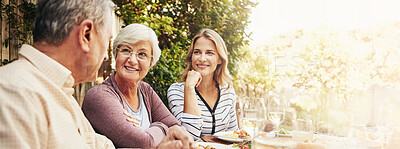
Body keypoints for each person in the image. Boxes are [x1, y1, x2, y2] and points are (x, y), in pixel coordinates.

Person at [0, 0, 194, 148]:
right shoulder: (14, 94)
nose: (104, 56)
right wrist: (159, 129)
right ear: (86, 35)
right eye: (108, 41)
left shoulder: (61, 93)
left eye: (142, 54)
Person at [81, 23, 182, 148]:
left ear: (151, 63)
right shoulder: (98, 96)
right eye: (126, 50)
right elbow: (142, 142)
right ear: (116, 54)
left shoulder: (145, 90)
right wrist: (160, 126)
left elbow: (177, 129)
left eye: (142, 54)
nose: (132, 60)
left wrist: (150, 132)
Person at [167, 29, 239, 140]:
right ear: (191, 57)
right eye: (197, 52)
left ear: (220, 59)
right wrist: (189, 88)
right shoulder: (177, 91)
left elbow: (234, 136)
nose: (202, 58)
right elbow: (189, 137)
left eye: (209, 53)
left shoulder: (227, 91)